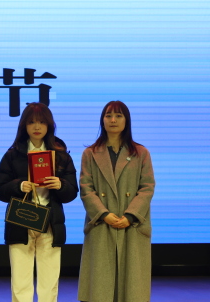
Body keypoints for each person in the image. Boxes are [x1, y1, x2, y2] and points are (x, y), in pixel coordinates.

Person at [0, 102, 78, 302]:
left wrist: (60, 185)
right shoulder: (12, 155)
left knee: (49, 283)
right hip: (21, 221)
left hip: (51, 224)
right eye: (31, 122)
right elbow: (0, 190)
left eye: (42, 122)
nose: (37, 126)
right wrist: (18, 186)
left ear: (49, 125)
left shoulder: (61, 155)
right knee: (20, 282)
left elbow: (72, 193)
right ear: (24, 125)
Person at [78, 101, 155, 302]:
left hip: (132, 223)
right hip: (102, 223)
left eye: (119, 116)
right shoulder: (90, 153)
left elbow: (147, 187)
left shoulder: (141, 153)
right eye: (108, 116)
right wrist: (104, 214)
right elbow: (86, 188)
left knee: (132, 288)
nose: (113, 120)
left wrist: (130, 215)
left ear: (126, 120)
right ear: (102, 120)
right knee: (100, 288)